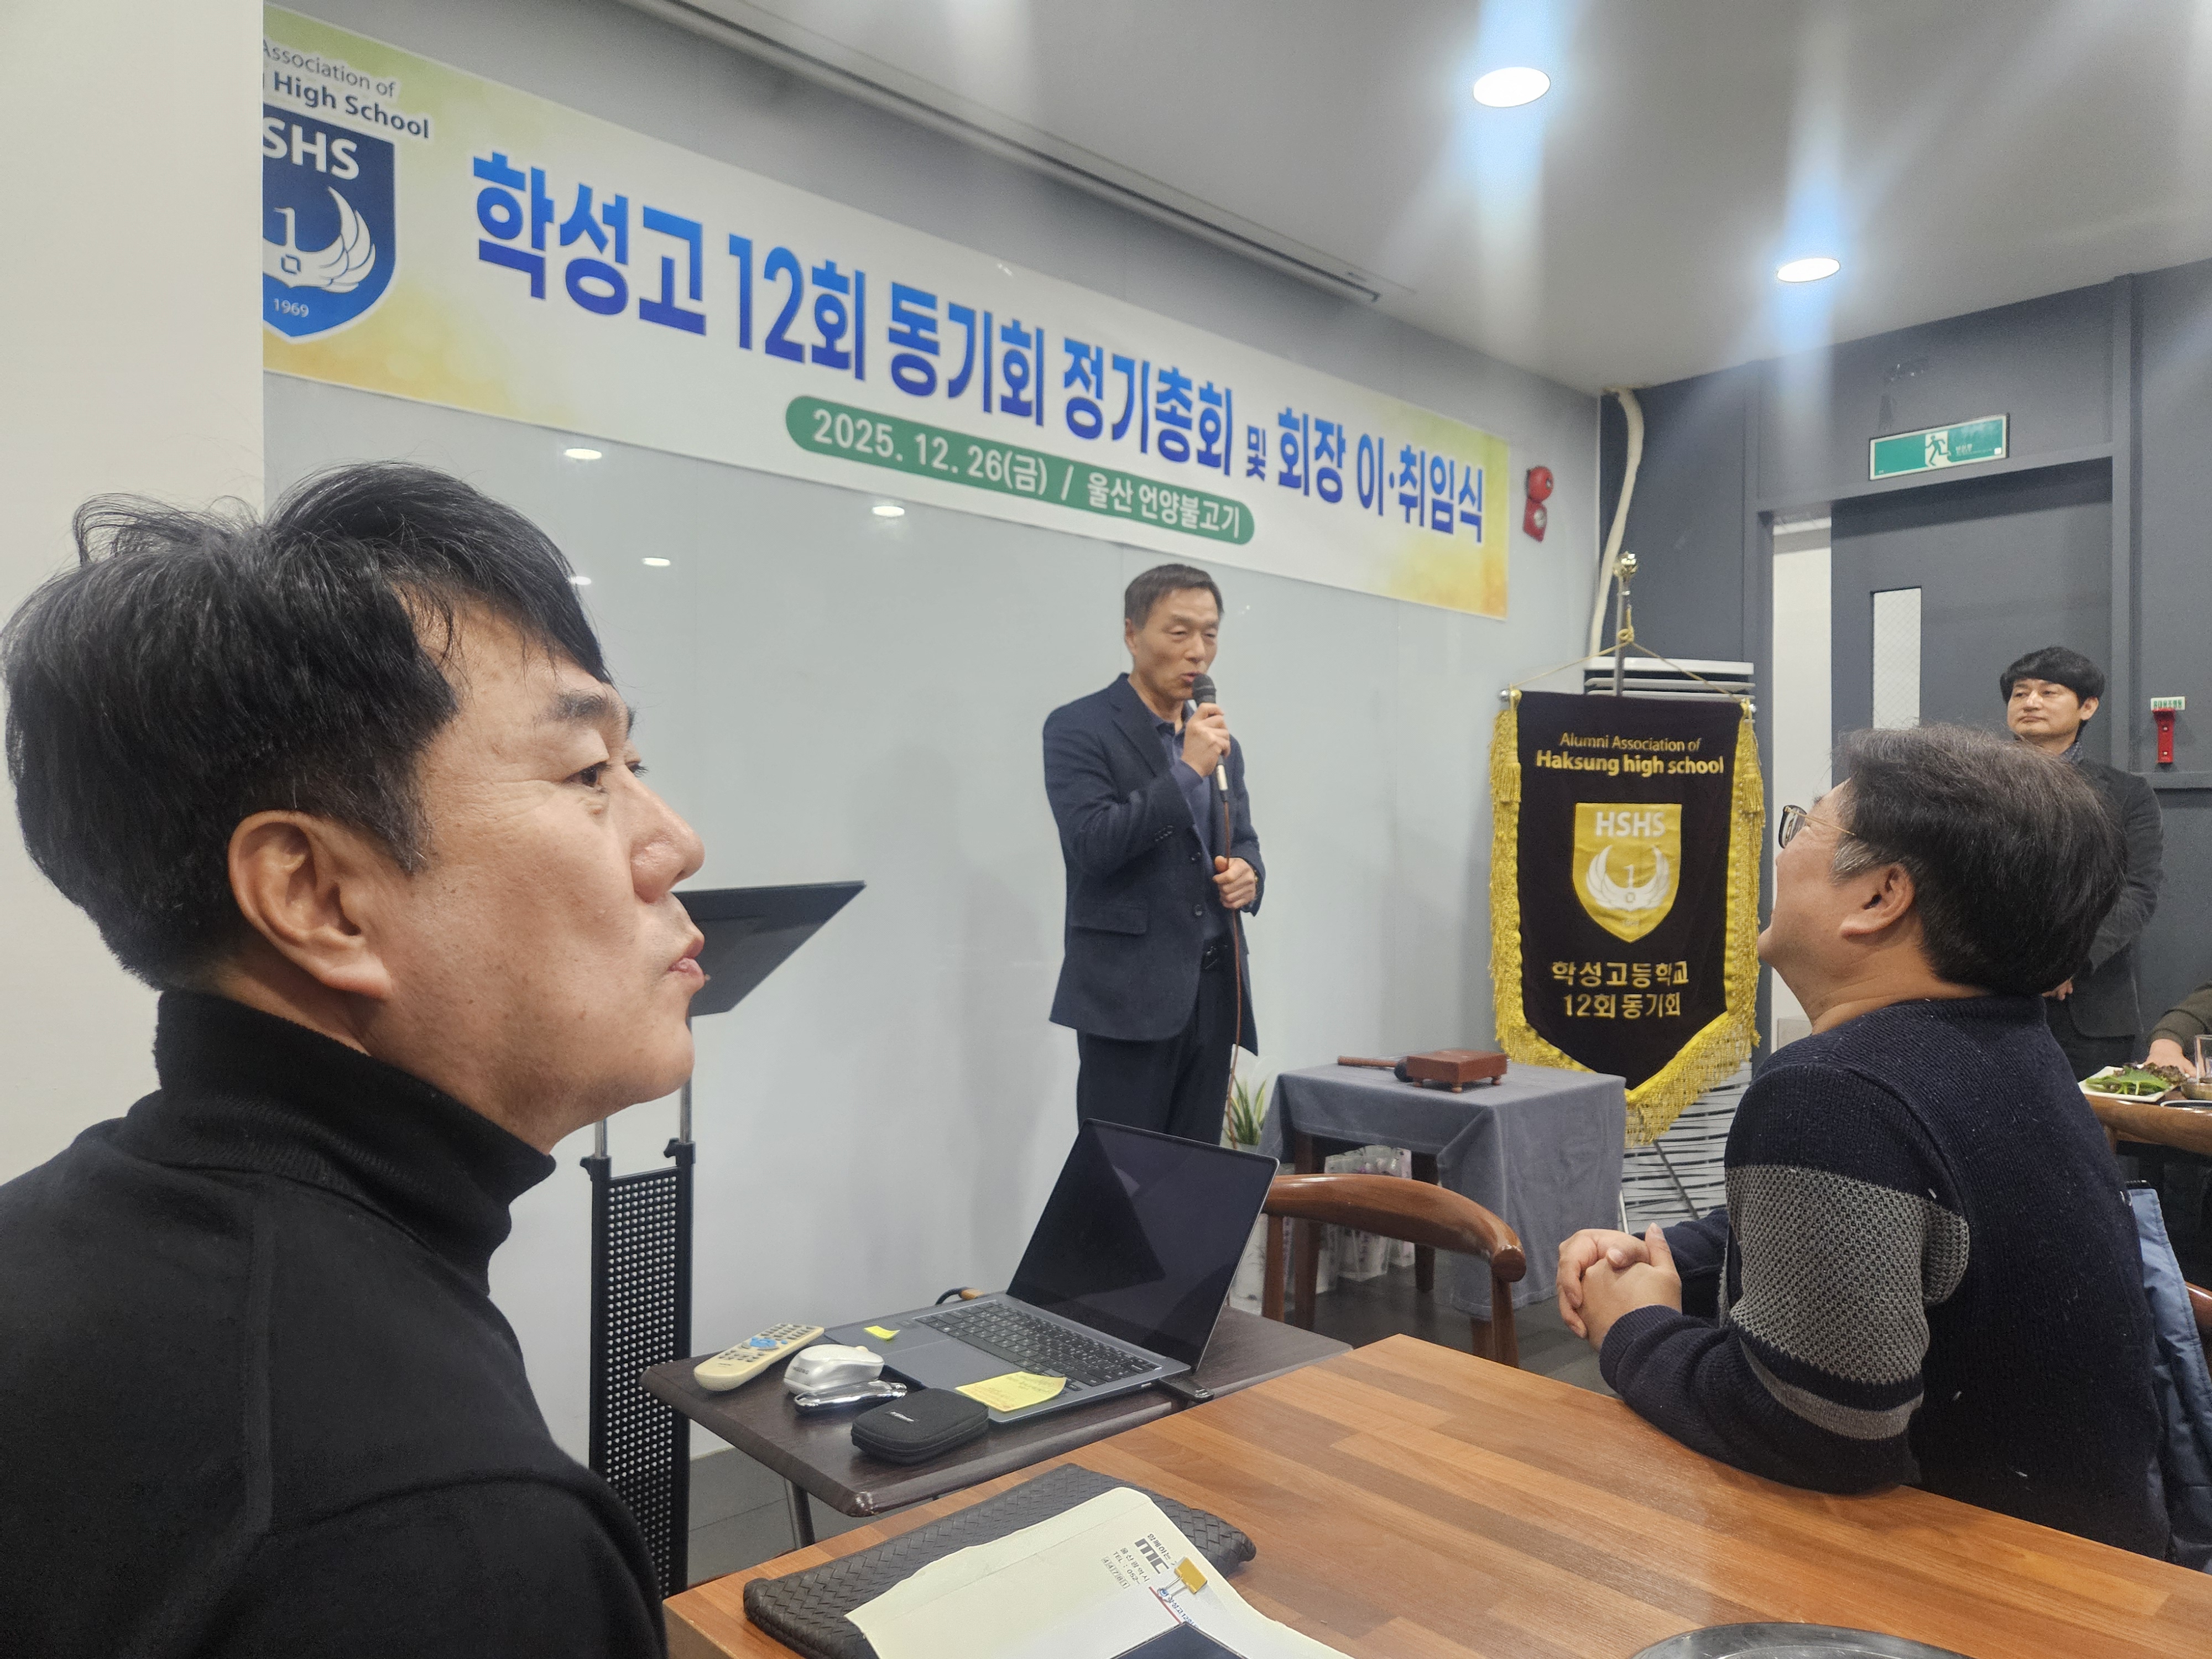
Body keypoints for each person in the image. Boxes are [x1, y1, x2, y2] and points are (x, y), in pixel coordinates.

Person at [0, 466, 705, 1656]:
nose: (676, 843)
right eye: (589, 774)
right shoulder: (441, 1538)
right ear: (319, 897)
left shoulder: (55, 1238)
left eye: (633, 766)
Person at [1555, 724, 2169, 1557]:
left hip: (1974, 1586)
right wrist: (1664, 1253)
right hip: (2106, 1553)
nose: (1781, 854)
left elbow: (1817, 1435)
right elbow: (1865, 1240)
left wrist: (1634, 1329)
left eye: (1803, 825)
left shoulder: (1834, 1092)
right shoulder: (2010, 1044)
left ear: (1881, 897)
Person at [1042, 564, 1261, 1143]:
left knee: (1192, 1172)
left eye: (1210, 634)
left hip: (1212, 991)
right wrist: (1186, 771)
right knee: (1121, 1174)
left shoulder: (1220, 743)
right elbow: (1093, 844)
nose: (1198, 652)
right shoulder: (1079, 727)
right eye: (1179, 632)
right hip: (1127, 997)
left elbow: (1242, 838)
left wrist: (1249, 874)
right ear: (1132, 633)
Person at [2001, 645, 2163, 1078]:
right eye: (2020, 693)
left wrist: (2068, 959)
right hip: (1986, 998)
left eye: (2048, 692)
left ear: (2087, 706)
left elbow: (2137, 892)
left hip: (2089, 1008)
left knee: (2087, 1120)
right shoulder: (1971, 785)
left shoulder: (2127, 794)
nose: (2031, 702)